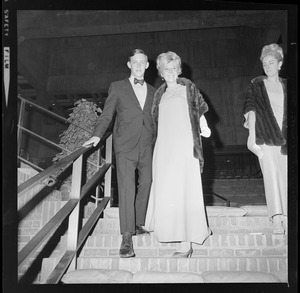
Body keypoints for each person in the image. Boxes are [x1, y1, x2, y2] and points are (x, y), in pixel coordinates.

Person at [83, 49, 156, 257]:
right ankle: (126, 235)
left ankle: (138, 223)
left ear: (147, 65)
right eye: (135, 62)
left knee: (148, 182)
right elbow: (107, 115)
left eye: (142, 62)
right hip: (124, 145)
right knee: (126, 186)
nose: (139, 65)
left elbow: (157, 119)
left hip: (147, 144)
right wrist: (97, 135)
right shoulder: (117, 87)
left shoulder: (153, 90)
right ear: (129, 64)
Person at [145, 51, 212, 257]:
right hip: (164, 148)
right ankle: (175, 229)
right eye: (167, 69)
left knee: (185, 190)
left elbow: (198, 108)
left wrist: (204, 125)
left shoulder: (188, 88)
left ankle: (186, 241)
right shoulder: (159, 94)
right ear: (161, 72)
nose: (171, 72)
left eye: (174, 68)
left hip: (184, 146)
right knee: (167, 190)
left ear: (179, 70)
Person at [243, 43, 287, 234]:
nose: (268, 66)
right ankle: (277, 218)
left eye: (271, 62)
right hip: (265, 137)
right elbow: (251, 109)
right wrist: (251, 137)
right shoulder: (257, 84)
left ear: (280, 64)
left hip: (286, 139)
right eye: (265, 63)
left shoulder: (287, 85)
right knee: (271, 177)